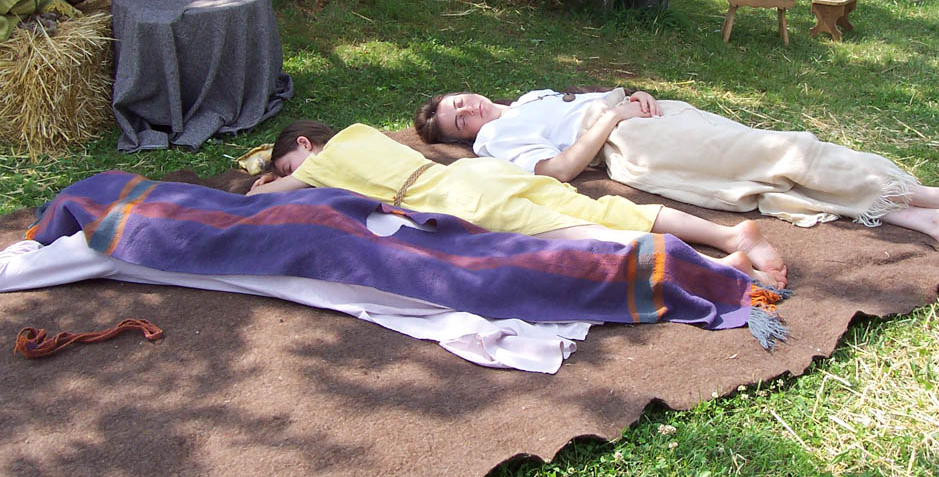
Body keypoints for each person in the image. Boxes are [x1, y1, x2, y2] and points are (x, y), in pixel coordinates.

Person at [415, 88, 939, 244]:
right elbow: (560, 170)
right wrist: (615, 117)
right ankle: (934, 196)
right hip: (629, 141)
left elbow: (592, 103)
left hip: (643, 116)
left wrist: (632, 96)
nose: (468, 112)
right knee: (785, 151)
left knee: (762, 170)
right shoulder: (496, 138)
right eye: (458, 122)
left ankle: (921, 219)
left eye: (459, 102)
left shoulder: (527, 100)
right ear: (465, 138)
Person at [247, 120, 788, 287]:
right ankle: (729, 234)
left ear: (304, 146)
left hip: (455, 195)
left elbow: (263, 200)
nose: (299, 178)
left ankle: (718, 267)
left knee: (579, 236)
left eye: (290, 166)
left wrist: (265, 182)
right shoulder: (362, 132)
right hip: (475, 174)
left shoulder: (316, 165)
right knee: (600, 211)